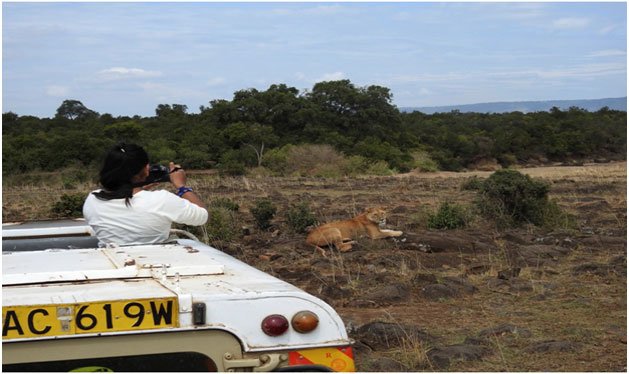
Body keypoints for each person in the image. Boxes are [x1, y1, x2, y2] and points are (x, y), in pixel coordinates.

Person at [83, 143, 208, 246]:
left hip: (114, 262)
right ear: (146, 169)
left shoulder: (93, 199)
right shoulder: (161, 200)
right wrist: (181, 186)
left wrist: (140, 188)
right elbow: (202, 216)